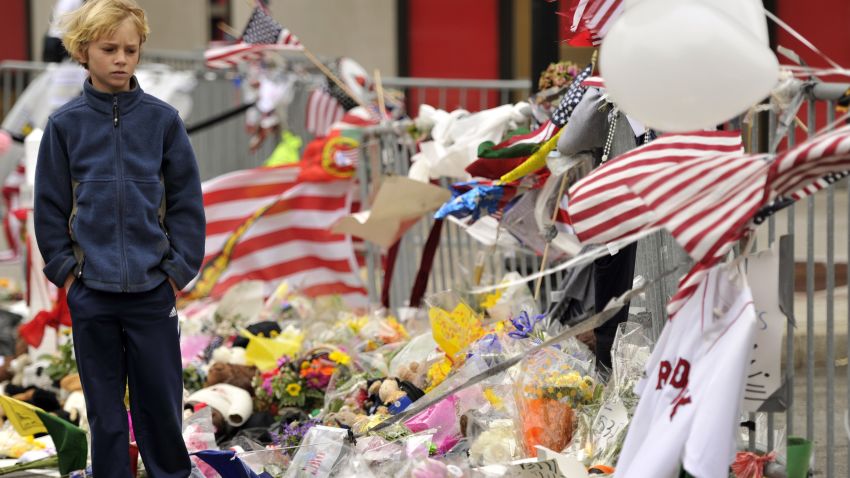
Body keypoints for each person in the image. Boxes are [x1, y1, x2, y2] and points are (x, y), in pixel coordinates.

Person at [33, 0, 205, 476]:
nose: (121, 59)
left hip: (153, 293)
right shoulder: (64, 126)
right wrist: (69, 278)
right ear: (83, 51)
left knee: (162, 408)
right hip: (92, 294)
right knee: (104, 414)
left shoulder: (163, 121)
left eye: (131, 49)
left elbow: (188, 203)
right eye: (109, 48)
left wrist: (175, 273)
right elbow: (48, 210)